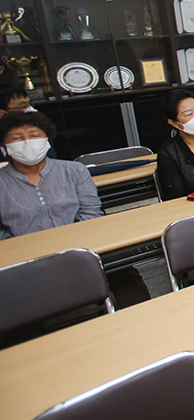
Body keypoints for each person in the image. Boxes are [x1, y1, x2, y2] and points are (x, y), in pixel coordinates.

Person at [0, 111, 149, 307]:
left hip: (82, 251)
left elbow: (91, 215)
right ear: (5, 146)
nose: (27, 142)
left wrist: (74, 252)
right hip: (26, 263)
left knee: (125, 276)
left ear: (47, 139)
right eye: (17, 139)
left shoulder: (73, 171)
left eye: (34, 135)